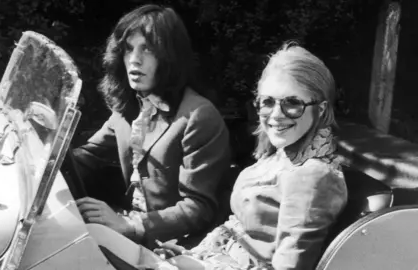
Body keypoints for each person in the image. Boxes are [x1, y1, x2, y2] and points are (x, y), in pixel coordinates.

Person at [155, 42, 349, 270]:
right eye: (267, 102)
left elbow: (287, 266)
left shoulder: (313, 175)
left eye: (293, 103)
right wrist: (192, 257)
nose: (276, 115)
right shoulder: (280, 155)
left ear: (322, 110)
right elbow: (239, 231)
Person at [71, 4, 231, 249]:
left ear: (170, 57)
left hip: (175, 246)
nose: (134, 60)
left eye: (148, 49)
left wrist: (132, 226)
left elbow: (198, 207)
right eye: (128, 49)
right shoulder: (130, 107)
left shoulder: (199, 116)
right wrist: (41, 166)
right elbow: (88, 156)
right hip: (128, 224)